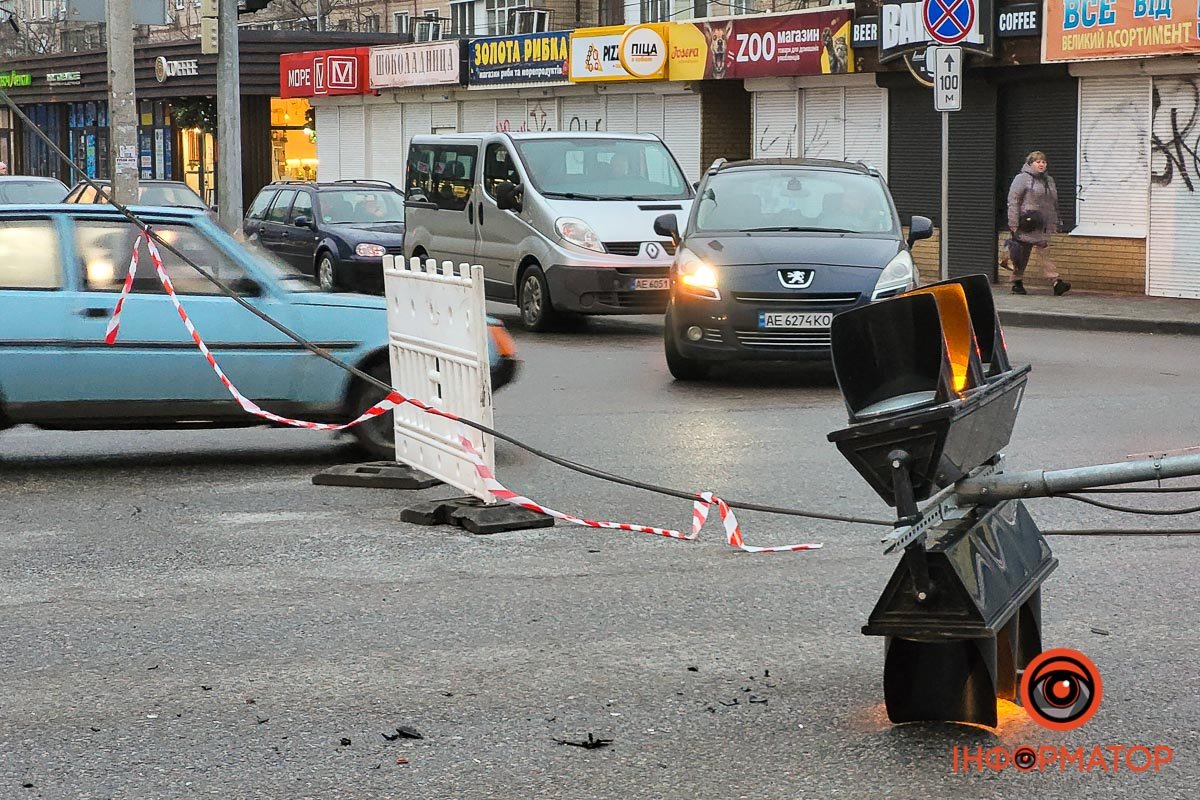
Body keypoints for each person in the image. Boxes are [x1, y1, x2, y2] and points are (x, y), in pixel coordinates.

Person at [1004, 150, 1070, 296]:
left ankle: (1055, 281)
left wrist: (1055, 220)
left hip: (1042, 223)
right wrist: (1013, 223)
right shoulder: (1022, 178)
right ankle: (1018, 281)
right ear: (1030, 163)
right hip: (1027, 223)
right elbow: (1013, 201)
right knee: (1022, 253)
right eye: (1038, 162)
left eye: (1043, 162)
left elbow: (1053, 202)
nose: (1041, 164)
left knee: (1042, 250)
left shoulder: (1048, 180)